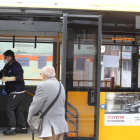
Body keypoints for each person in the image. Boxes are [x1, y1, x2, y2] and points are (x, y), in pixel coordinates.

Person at [27, 66, 68, 140]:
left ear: (43, 75)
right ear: (54, 74)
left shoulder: (42, 86)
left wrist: (30, 119)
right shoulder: (61, 85)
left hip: (50, 126)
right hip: (60, 125)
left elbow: (35, 106)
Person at [0, 50, 27, 135]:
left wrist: (8, 79)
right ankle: (23, 127)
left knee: (9, 108)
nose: (4, 59)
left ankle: (12, 128)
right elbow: (2, 73)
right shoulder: (8, 66)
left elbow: (19, 77)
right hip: (14, 90)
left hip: (17, 91)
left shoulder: (16, 65)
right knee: (18, 110)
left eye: (6, 57)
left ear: (10, 57)